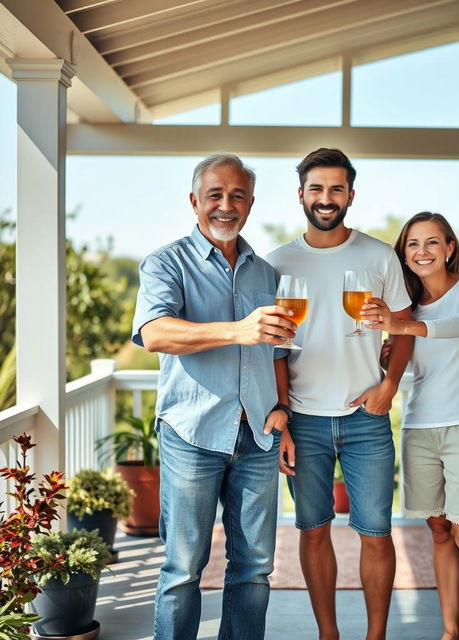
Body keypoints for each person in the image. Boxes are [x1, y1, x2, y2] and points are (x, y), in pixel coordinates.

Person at [131, 153, 297, 640]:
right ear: (194, 202)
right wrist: (237, 330)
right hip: (192, 434)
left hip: (260, 437)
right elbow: (156, 332)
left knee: (254, 569)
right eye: (215, 195)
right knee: (182, 569)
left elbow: (279, 352)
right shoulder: (165, 262)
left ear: (250, 203)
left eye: (238, 195)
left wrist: (282, 411)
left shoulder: (265, 273)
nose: (227, 205)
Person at [266, 148, 414, 640]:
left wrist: (389, 384)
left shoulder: (378, 256)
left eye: (336, 189)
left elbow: (406, 326)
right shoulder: (277, 263)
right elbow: (276, 352)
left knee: (376, 533)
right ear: (300, 195)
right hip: (304, 420)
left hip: (365, 418)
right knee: (312, 529)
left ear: (351, 195)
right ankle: (328, 634)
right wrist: (283, 414)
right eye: (316, 189)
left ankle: (376, 637)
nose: (325, 199)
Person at [362, 212, 459, 640]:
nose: (422, 252)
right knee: (439, 531)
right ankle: (450, 631)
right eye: (412, 245)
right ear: (404, 254)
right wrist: (387, 353)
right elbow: (405, 364)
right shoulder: (406, 310)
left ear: (450, 248)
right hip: (420, 429)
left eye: (432, 243)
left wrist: (401, 326)